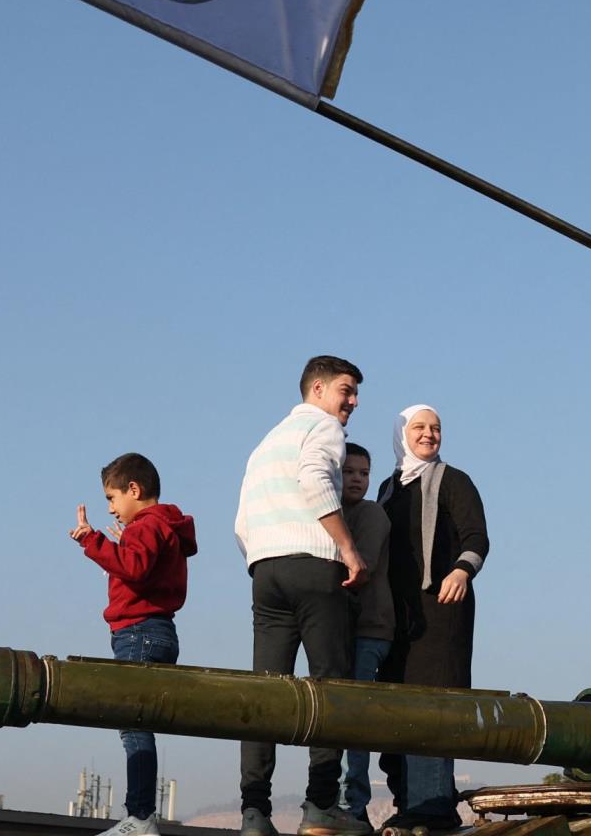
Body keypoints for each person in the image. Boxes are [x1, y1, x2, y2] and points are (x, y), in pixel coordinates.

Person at [234, 355, 372, 836]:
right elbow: (315, 480)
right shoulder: (324, 428)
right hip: (313, 566)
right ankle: (319, 806)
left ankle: (254, 812)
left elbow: (241, 519)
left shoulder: (267, 441)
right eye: (346, 390)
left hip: (265, 569)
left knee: (266, 692)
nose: (352, 402)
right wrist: (348, 549)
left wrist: (261, 558)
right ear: (317, 389)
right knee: (330, 685)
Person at [69, 451, 199, 836]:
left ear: (134, 489)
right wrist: (125, 545)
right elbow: (143, 566)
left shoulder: (147, 525)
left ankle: (140, 817)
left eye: (112, 498)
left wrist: (92, 541)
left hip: (138, 632)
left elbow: (135, 568)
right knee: (137, 723)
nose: (111, 509)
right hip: (157, 630)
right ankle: (140, 815)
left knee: (133, 723)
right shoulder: (163, 527)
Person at [378, 404, 487, 832]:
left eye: (435, 428)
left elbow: (477, 536)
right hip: (395, 619)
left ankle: (433, 808)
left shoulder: (454, 481)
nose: (428, 435)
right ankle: (409, 803)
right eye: (419, 427)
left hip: (440, 614)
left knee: (431, 709)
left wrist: (461, 570)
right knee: (393, 712)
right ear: (402, 432)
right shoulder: (387, 489)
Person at [339, 442, 394, 828]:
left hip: (368, 629)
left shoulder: (372, 515)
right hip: (340, 629)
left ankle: (353, 807)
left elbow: (363, 567)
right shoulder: (333, 515)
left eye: (363, 473)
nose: (357, 479)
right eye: (349, 472)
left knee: (352, 719)